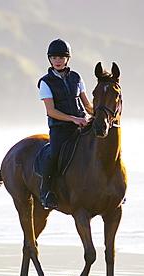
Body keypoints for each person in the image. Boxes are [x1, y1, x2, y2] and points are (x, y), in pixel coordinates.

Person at [38, 38, 93, 209]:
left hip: (81, 125)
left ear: (67, 59)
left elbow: (86, 104)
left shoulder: (76, 77)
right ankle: (46, 191)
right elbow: (51, 111)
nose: (58, 61)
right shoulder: (45, 82)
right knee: (54, 154)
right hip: (60, 128)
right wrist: (73, 119)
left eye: (61, 58)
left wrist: (100, 114)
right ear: (50, 59)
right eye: (54, 58)